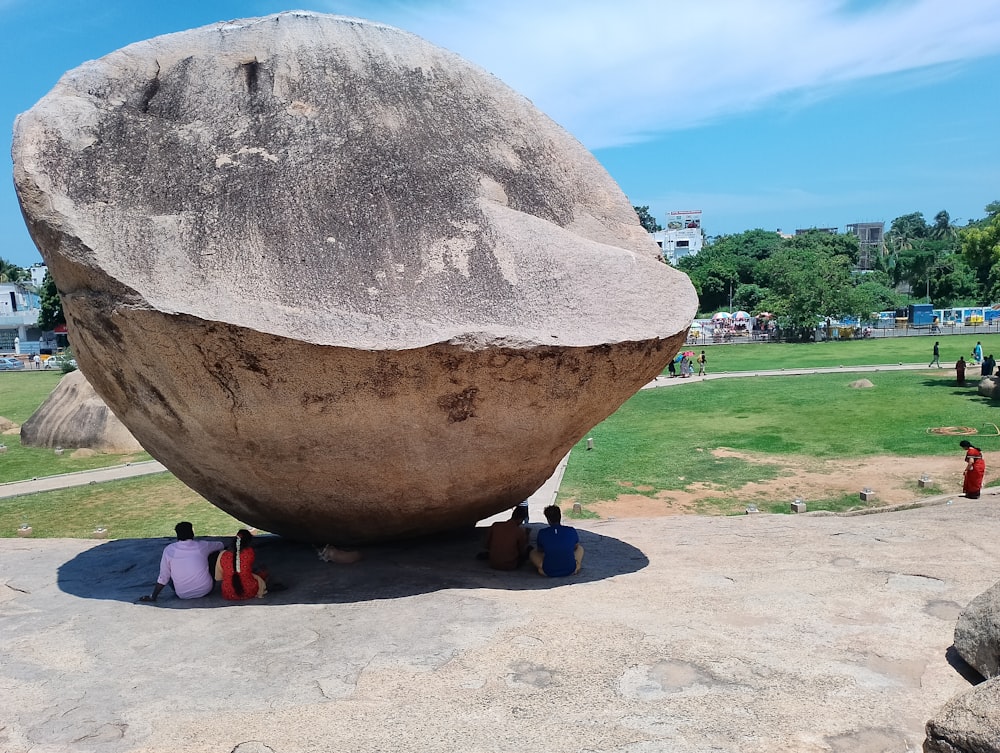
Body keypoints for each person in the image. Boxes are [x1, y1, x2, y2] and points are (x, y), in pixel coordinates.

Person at [140, 522, 224, 602]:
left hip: (182, 594)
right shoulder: (202, 546)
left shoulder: (169, 550)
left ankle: (183, 584)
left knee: (167, 572)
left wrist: (153, 596)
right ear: (192, 533)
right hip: (205, 590)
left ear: (177, 535)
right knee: (214, 555)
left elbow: (163, 577)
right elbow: (221, 545)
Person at [529, 505, 584, 577]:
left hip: (548, 571)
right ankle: (577, 565)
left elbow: (540, 550)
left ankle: (545, 567)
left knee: (532, 552)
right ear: (560, 516)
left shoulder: (542, 532)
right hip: (570, 570)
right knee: (580, 548)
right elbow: (576, 546)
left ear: (548, 519)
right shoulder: (571, 530)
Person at [215, 529, 269, 600]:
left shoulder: (223, 555)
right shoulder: (249, 552)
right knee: (262, 573)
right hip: (249, 591)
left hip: (228, 593)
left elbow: (218, 578)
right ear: (248, 542)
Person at [484, 505, 530, 571]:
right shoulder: (519, 531)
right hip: (509, 565)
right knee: (529, 550)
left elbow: (486, 545)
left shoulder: (495, 525)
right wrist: (527, 536)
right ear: (521, 520)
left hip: (493, 563)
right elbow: (522, 551)